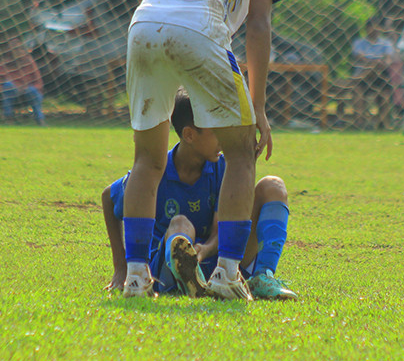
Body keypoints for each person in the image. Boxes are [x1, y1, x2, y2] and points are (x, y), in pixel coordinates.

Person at [119, 0, 284, 300]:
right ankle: (228, 274)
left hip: (144, 24)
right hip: (200, 27)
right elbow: (260, 24)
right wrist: (259, 104)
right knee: (241, 151)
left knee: (147, 162)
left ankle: (136, 278)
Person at [102, 93, 296, 300]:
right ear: (189, 135)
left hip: (220, 262)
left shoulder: (225, 169)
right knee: (180, 224)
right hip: (164, 269)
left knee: (273, 186)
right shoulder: (154, 171)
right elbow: (108, 197)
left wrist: (204, 250)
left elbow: (218, 230)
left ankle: (262, 277)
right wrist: (120, 266)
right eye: (216, 132)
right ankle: (184, 274)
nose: (224, 139)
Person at [350, 17, 404, 128]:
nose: (374, 30)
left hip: (379, 77)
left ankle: (383, 123)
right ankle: (359, 123)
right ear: (366, 29)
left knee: (384, 93)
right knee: (358, 89)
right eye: (371, 28)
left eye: (377, 27)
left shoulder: (386, 43)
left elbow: (388, 59)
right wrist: (374, 62)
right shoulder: (359, 42)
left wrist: (378, 63)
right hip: (363, 78)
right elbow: (360, 57)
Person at [0, 38, 45, 125]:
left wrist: (28, 88)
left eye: (20, 49)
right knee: (8, 86)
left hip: (28, 91)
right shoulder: (5, 63)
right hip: (12, 91)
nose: (18, 51)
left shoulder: (29, 62)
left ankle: (40, 119)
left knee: (33, 91)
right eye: (15, 49)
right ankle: (8, 118)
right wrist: (2, 90)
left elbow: (38, 82)